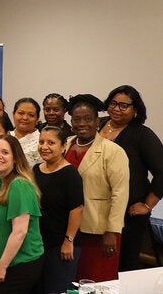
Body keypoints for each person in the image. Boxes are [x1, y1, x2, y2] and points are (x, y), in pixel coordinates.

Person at [64, 94, 129, 282]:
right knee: (72, 280)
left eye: (88, 119)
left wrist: (112, 231)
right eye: (77, 119)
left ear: (97, 121)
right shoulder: (65, 144)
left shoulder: (113, 151)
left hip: (99, 231)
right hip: (68, 229)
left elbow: (120, 194)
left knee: (96, 280)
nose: (82, 123)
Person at [99, 85, 163, 272]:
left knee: (125, 264)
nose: (117, 109)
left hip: (129, 212)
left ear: (135, 110)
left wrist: (147, 205)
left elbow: (162, 171)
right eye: (113, 103)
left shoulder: (142, 135)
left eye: (124, 106)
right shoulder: (98, 124)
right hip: (97, 208)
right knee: (99, 262)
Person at [0, 135, 44, 293]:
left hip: (19, 264)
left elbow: (20, 232)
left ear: (15, 158)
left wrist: (1, 266)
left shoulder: (20, 185)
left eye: (5, 152)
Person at [33, 126, 84, 294]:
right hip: (38, 243)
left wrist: (68, 241)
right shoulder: (35, 170)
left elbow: (77, 209)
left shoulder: (70, 174)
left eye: (51, 142)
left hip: (61, 245)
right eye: (41, 142)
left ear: (63, 147)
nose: (44, 146)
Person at [12, 98, 43, 168]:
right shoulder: (5, 136)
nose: (25, 118)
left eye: (31, 115)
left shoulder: (41, 142)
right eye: (21, 113)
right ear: (13, 115)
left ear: (37, 119)